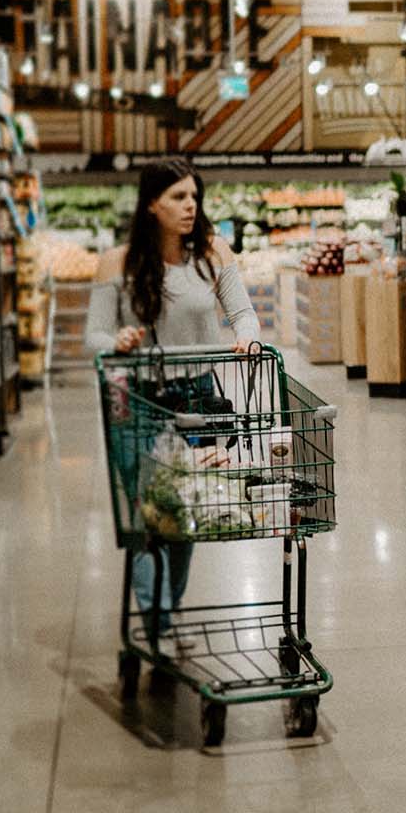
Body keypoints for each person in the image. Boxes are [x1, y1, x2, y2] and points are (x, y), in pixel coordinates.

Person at [86, 158, 260, 646]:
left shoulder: (213, 253)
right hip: (137, 397)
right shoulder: (117, 262)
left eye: (194, 197)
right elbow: (92, 337)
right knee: (146, 513)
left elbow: (243, 314)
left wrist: (247, 339)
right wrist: (115, 340)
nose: (191, 207)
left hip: (197, 396)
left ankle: (168, 608)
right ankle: (158, 620)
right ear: (151, 206)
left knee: (187, 506)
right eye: (178, 198)